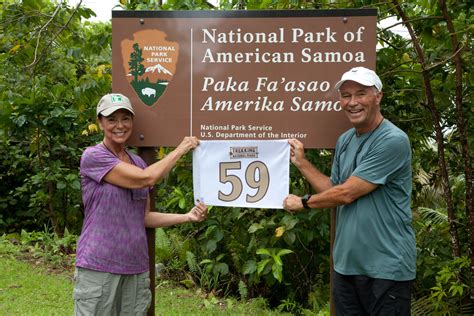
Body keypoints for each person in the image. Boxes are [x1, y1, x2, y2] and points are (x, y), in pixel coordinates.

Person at [283, 67, 416, 315]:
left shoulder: (393, 140)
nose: (352, 102)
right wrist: (301, 162)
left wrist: (303, 202)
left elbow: (347, 194)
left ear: (378, 97)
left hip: (386, 268)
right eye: (346, 95)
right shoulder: (345, 140)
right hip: (346, 266)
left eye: (361, 94)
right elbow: (335, 190)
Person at [73, 93, 208, 315]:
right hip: (99, 265)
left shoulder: (137, 163)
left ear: (132, 122)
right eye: (111, 119)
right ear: (100, 122)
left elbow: (144, 217)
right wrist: (181, 149)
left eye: (125, 118)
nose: (119, 125)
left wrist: (187, 216)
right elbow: (146, 178)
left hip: (135, 267)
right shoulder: (94, 157)